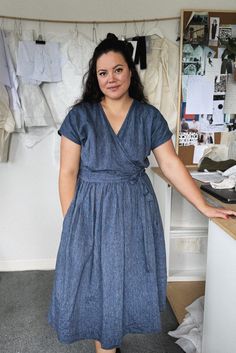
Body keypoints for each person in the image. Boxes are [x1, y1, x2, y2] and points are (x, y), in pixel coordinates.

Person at [48, 35, 236, 353]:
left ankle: (112, 338)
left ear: (130, 73)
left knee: (127, 274)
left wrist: (205, 206)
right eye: (103, 73)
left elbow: (172, 164)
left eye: (118, 70)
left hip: (135, 207)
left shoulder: (148, 117)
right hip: (91, 208)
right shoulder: (80, 116)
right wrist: (72, 222)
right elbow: (67, 173)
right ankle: (104, 345)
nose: (111, 78)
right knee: (94, 279)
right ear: (95, 78)